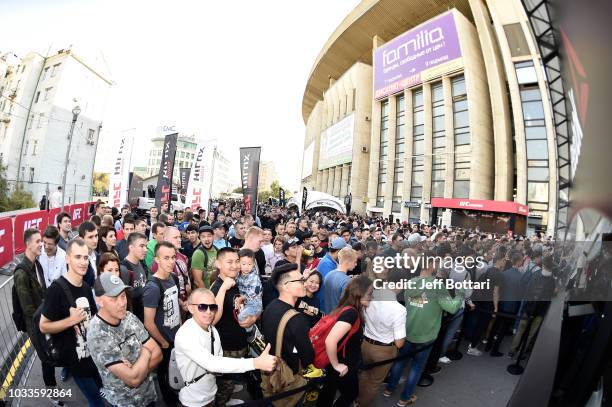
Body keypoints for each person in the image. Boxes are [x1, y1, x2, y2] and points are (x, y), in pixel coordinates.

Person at [385, 251, 464, 406]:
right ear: (429, 265)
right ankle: (404, 398)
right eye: (435, 262)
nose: (437, 265)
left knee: (400, 361)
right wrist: (460, 293)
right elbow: (452, 308)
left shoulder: (411, 282)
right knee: (417, 366)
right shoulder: (437, 286)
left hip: (407, 331)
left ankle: (389, 389)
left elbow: (411, 302)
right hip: (426, 335)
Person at [175, 288, 277, 407]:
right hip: (193, 402)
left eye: (213, 307)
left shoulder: (212, 330)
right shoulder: (186, 334)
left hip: (211, 393)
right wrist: (255, 363)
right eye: (202, 307)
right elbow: (212, 363)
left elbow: (218, 362)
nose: (209, 312)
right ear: (191, 308)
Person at [39, 238, 104, 406]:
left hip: (93, 355)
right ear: (67, 258)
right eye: (77, 257)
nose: (83, 262)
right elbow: (43, 325)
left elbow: (94, 321)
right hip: (75, 361)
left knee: (102, 394)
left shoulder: (85, 286)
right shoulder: (56, 289)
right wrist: (71, 320)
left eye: (85, 257)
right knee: (97, 402)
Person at [87, 272, 162, 407]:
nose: (122, 303)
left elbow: (158, 354)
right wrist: (145, 352)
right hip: (125, 403)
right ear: (99, 301)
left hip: (148, 396)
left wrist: (136, 370)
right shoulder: (97, 333)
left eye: (123, 296)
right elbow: (133, 379)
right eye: (114, 299)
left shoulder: (128, 317)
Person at [15, 229, 63, 402]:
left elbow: (43, 291)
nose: (41, 244)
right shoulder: (21, 273)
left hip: (44, 317)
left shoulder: (37, 264)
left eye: (41, 241)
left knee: (50, 355)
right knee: (46, 358)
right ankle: (52, 392)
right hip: (35, 324)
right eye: (37, 242)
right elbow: (28, 309)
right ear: (28, 244)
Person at [261, 263, 315, 404]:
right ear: (285, 286)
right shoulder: (296, 318)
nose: (305, 283)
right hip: (288, 379)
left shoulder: (271, 306)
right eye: (301, 280)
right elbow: (308, 357)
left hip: (272, 372)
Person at [210, 247, 256, 406]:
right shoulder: (217, 288)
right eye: (229, 262)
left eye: (237, 261)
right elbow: (212, 320)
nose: (235, 266)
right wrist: (223, 288)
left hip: (238, 341)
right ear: (218, 264)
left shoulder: (236, 281)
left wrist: (252, 317)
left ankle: (228, 391)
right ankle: (223, 400)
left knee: (229, 377)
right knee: (223, 382)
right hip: (226, 346)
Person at [317, 275, 372, 407]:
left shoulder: (347, 307)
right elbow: (330, 341)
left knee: (328, 392)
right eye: (370, 293)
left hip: (338, 361)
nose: (371, 296)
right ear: (359, 293)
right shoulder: (351, 313)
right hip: (344, 365)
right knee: (351, 393)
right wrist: (337, 365)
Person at [358, 271, 406, 406]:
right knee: (374, 383)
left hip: (366, 343)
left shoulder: (371, 296)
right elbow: (399, 343)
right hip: (384, 350)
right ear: (399, 285)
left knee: (365, 375)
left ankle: (358, 399)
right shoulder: (399, 309)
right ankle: (362, 404)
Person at [142, 241, 182, 403]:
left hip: (175, 337)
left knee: (176, 374)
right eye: (166, 258)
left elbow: (175, 303)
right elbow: (148, 322)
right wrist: (163, 343)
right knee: (166, 377)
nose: (171, 261)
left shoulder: (173, 277)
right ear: (157, 260)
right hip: (163, 342)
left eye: (173, 257)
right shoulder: (152, 287)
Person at [119, 232, 149, 322]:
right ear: (131, 247)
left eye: (146, 246)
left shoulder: (142, 263)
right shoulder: (124, 269)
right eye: (141, 246)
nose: (145, 250)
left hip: (143, 315)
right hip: (132, 320)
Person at [323, 247, 358, 314]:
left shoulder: (329, 274)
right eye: (355, 262)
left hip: (328, 317)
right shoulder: (347, 281)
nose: (356, 264)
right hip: (339, 319)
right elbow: (346, 307)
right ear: (347, 261)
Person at [316, 236, 347, 312]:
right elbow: (331, 287)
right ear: (339, 252)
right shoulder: (326, 263)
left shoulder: (332, 261)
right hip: (325, 306)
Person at [236, 249, 263, 334]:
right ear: (238, 263)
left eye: (249, 264)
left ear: (253, 264)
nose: (246, 267)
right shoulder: (238, 275)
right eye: (243, 264)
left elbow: (254, 292)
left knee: (241, 317)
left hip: (254, 303)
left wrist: (243, 297)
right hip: (245, 303)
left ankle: (253, 332)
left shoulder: (254, 277)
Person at [77, 221, 98, 287]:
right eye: (90, 237)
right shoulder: (77, 261)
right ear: (81, 239)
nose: (95, 240)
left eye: (96, 236)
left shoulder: (98, 255)